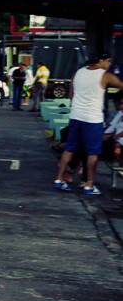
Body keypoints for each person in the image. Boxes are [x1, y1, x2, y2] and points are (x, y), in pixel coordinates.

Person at [53, 53, 123, 195]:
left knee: (69, 149)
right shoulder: (105, 75)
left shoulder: (78, 73)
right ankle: (89, 184)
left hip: (76, 116)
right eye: (108, 61)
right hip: (93, 119)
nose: (109, 64)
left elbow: (71, 95)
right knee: (93, 153)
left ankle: (59, 180)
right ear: (100, 61)